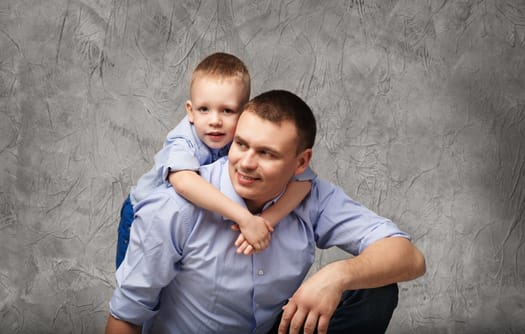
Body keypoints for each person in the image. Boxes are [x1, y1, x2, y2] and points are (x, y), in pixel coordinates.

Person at [105, 90, 426, 334]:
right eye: (241, 145)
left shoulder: (312, 196)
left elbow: (410, 258)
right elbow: (127, 314)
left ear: (301, 163)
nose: (246, 163)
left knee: (374, 290)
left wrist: (336, 275)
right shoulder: (176, 208)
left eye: (266, 153)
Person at [116, 53, 313, 267]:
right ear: (190, 111)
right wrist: (245, 219)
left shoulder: (245, 137)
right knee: (141, 279)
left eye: (227, 110)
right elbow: (183, 183)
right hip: (142, 215)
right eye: (204, 109)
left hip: (188, 222)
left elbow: (304, 182)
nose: (215, 121)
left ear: (245, 112)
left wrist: (265, 221)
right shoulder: (183, 140)